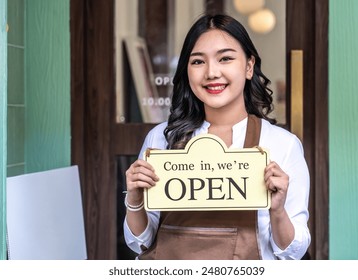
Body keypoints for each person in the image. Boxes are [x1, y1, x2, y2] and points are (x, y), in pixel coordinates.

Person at [123, 13, 310, 260]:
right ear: (186, 70)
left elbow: (293, 253)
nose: (212, 73)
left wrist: (277, 211)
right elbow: (140, 243)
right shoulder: (160, 139)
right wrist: (135, 199)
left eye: (225, 58)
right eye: (198, 62)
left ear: (249, 66)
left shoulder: (282, 145)